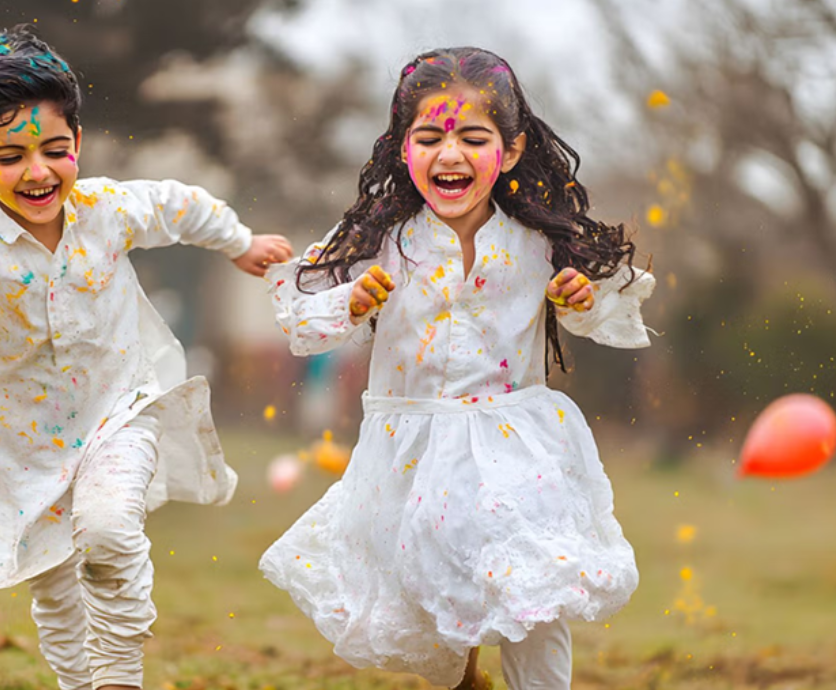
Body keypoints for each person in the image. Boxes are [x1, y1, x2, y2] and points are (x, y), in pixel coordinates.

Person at [0, 25, 293, 690]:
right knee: (53, 593)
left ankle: (119, 679)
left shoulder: (107, 209)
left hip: (120, 414)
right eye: (11, 156)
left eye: (54, 149)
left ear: (76, 143)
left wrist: (239, 242)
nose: (38, 171)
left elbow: (181, 206)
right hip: (20, 448)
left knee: (108, 531)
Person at [259, 47, 655, 690]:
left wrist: (581, 298)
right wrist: (349, 301)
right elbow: (301, 320)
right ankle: (465, 679)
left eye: (474, 137)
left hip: (515, 441)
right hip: (411, 451)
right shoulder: (379, 240)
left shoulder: (536, 241)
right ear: (401, 147)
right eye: (429, 137)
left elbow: (604, 309)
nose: (451, 155)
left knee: (536, 587)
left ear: (514, 149)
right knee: (432, 609)